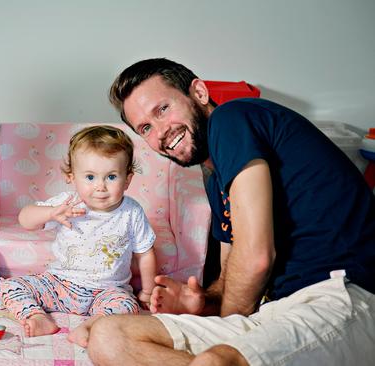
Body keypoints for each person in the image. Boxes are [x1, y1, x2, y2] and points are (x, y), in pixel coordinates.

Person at [69, 58, 375, 365]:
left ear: (199, 93)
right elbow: (232, 276)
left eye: (162, 109)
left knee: (215, 360)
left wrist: (225, 332)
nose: (161, 131)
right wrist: (201, 303)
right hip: (279, 310)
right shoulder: (217, 183)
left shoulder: (232, 118)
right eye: (146, 127)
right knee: (109, 337)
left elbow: (255, 258)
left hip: (345, 294)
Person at [0, 125, 157, 337]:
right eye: (90, 177)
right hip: (60, 284)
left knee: (127, 306)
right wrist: (51, 213)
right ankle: (37, 317)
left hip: (108, 291)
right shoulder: (67, 203)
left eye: (111, 177)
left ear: (127, 180)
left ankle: (92, 327)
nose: (100, 186)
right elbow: (25, 219)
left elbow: (145, 254)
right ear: (71, 177)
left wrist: (147, 292)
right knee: (11, 286)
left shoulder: (132, 212)